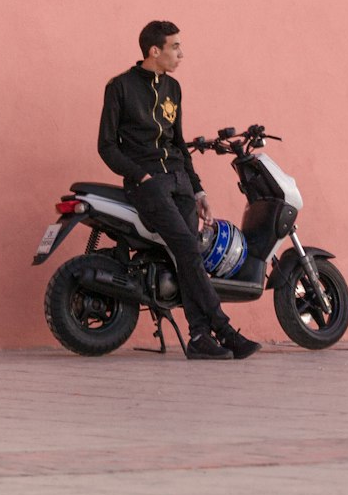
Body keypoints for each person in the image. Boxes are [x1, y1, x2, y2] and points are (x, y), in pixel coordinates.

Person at [97, 20, 261, 360]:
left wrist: (199, 191)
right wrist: (139, 176)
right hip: (149, 186)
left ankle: (200, 337)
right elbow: (107, 146)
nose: (181, 54)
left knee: (188, 257)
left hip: (180, 183)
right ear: (154, 51)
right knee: (187, 248)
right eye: (175, 47)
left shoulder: (174, 88)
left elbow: (180, 146)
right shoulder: (121, 87)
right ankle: (224, 330)